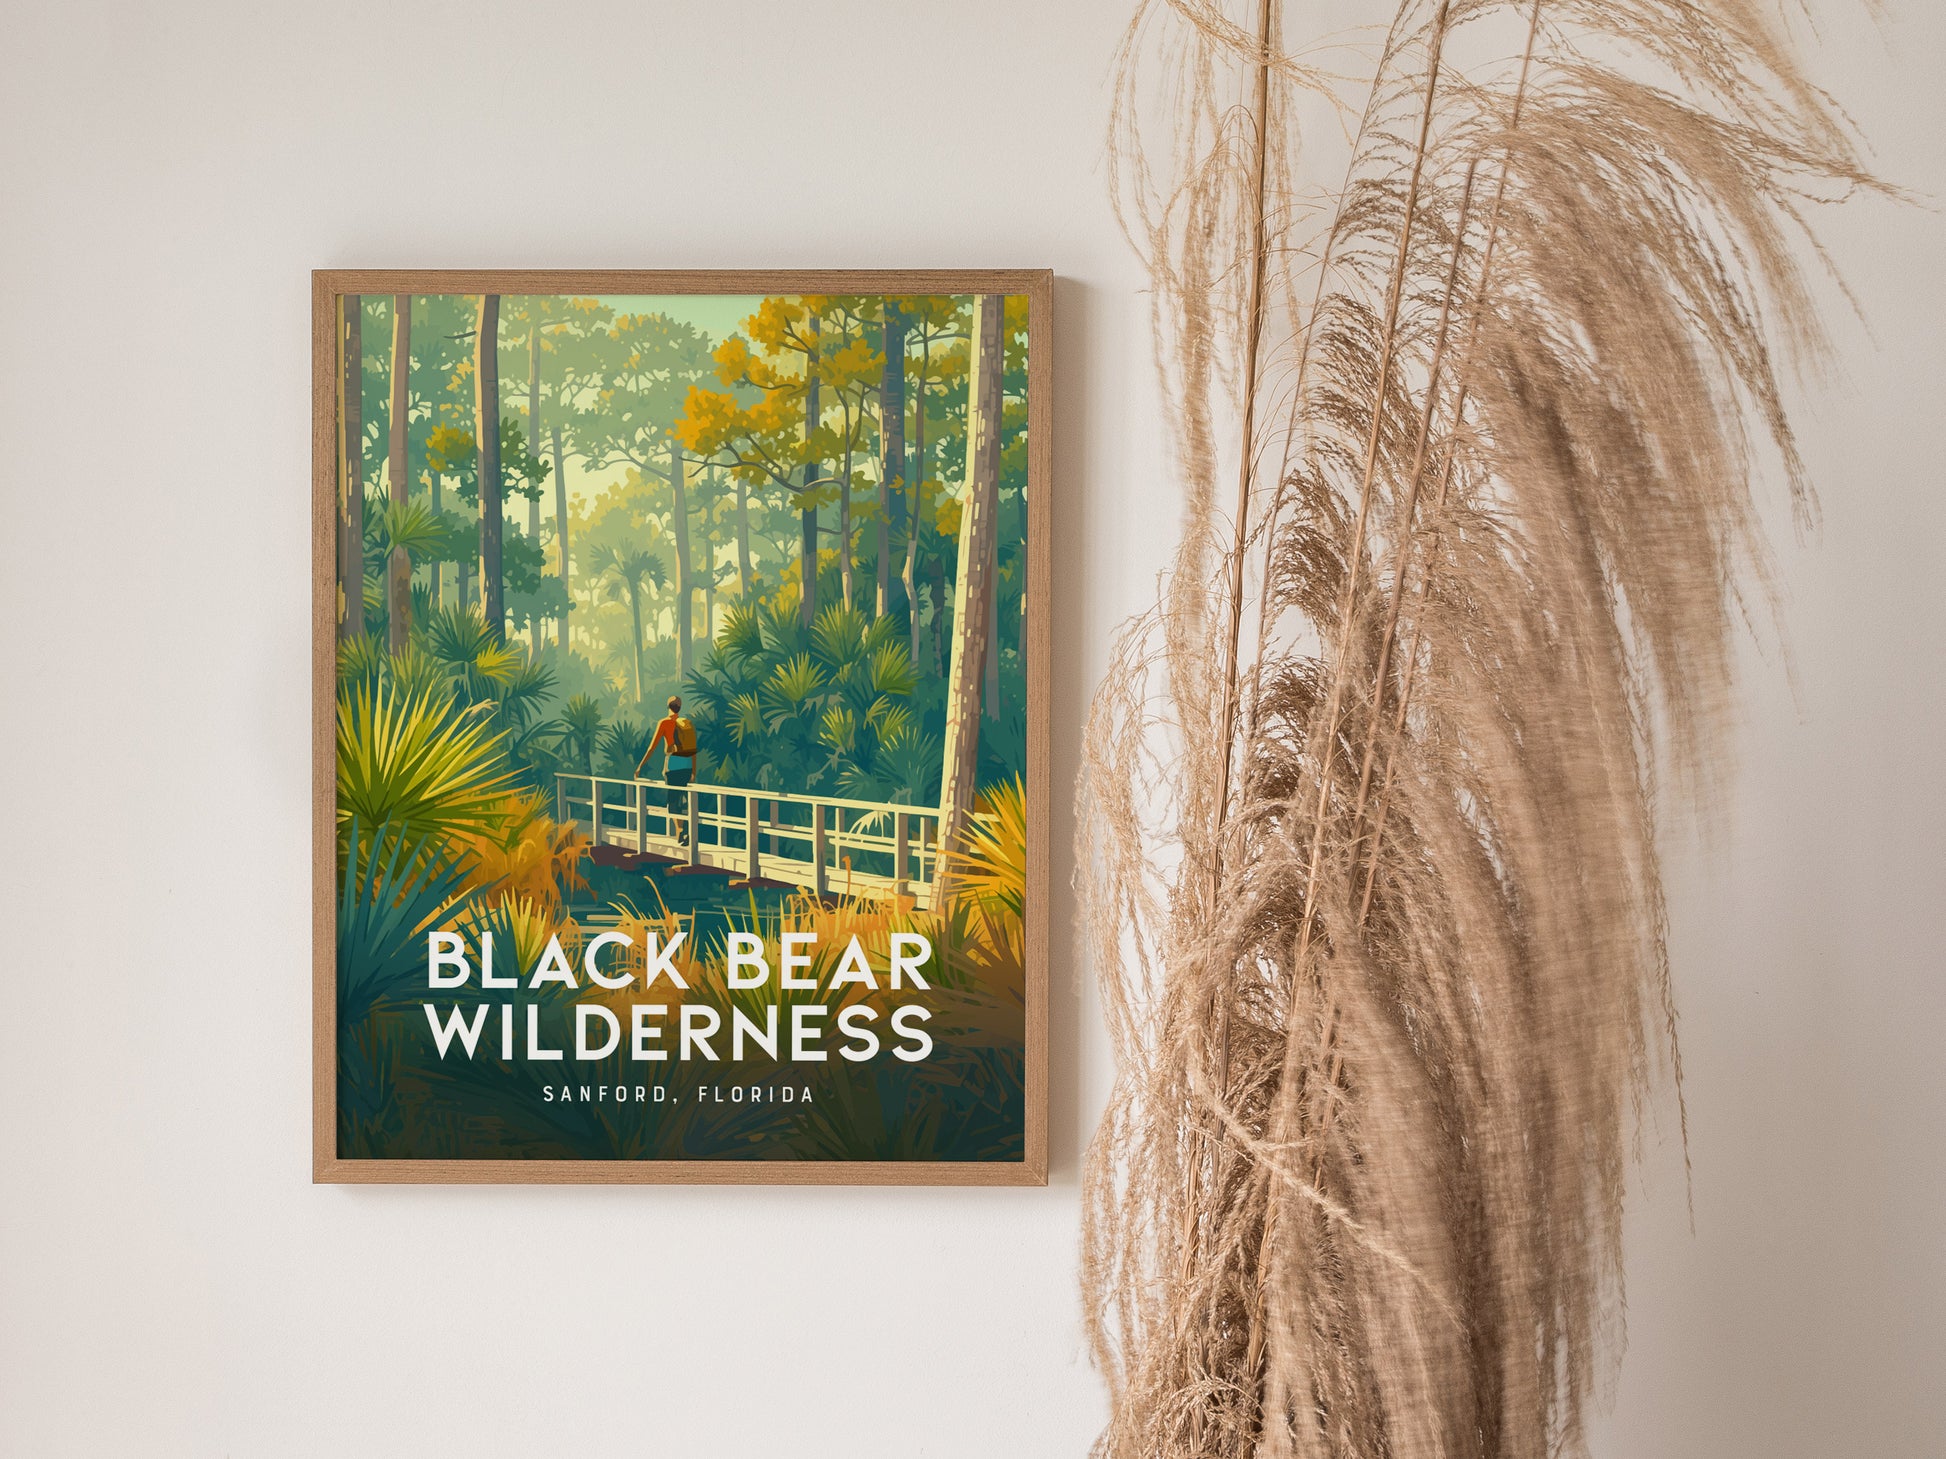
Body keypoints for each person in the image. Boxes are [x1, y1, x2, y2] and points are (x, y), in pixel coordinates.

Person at [636, 695, 697, 845]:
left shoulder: (664, 723)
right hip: (687, 763)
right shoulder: (686, 724)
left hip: (673, 763)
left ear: (667, 706)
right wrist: (693, 771)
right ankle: (685, 829)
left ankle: (680, 831)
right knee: (683, 798)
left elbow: (652, 747)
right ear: (680, 707)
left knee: (673, 800)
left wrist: (639, 767)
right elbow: (693, 750)